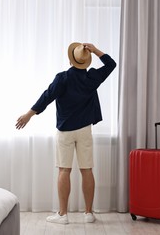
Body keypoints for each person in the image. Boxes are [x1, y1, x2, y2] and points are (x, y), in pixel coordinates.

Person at [15, 42, 116, 224]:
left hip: (65, 131)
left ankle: (62, 215)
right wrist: (95, 50)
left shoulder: (62, 78)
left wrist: (29, 114)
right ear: (86, 62)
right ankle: (88, 213)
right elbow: (111, 64)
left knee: (64, 170)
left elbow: (47, 96)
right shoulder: (92, 77)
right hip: (85, 129)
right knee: (87, 170)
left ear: (71, 61)